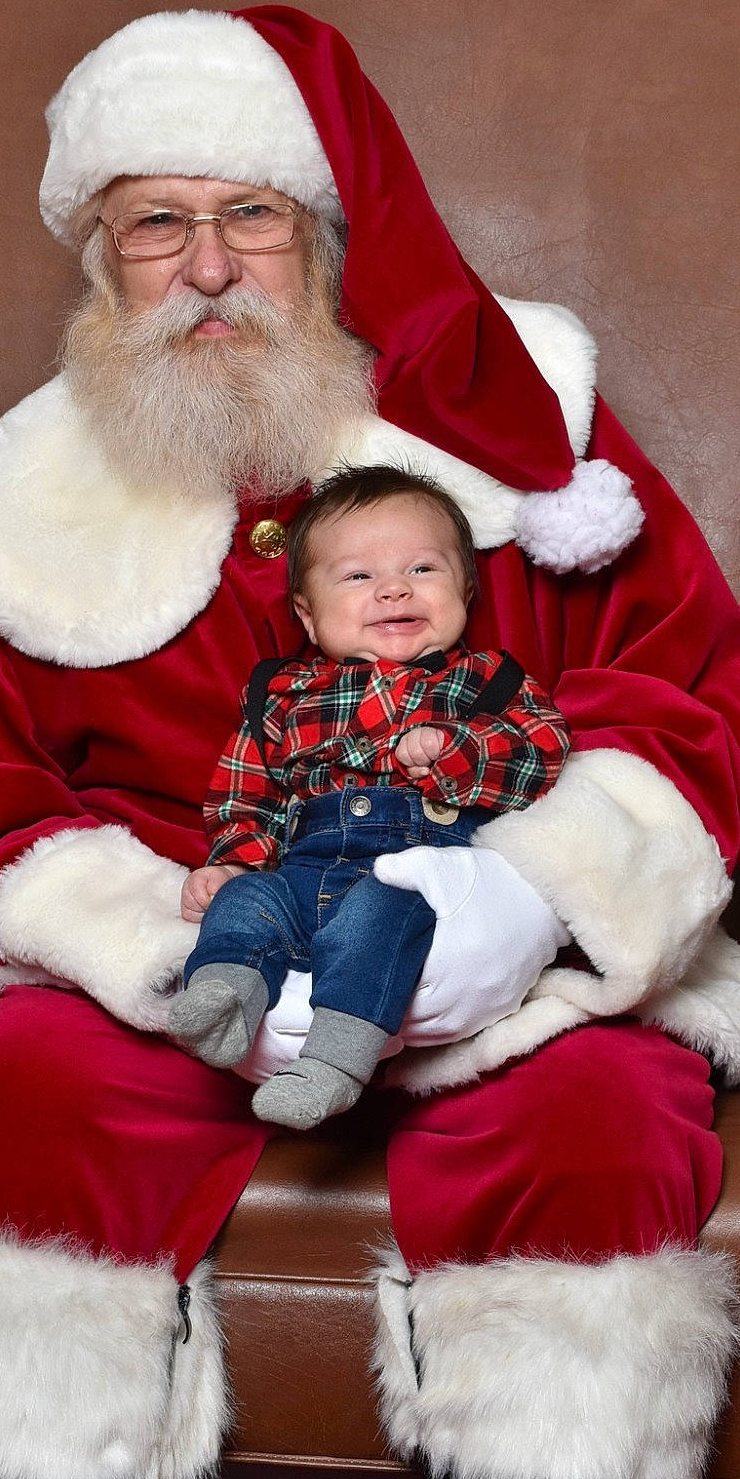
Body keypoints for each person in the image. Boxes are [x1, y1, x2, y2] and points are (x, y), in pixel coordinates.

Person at [0, 6, 740, 1479]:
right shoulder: (12, 512)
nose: (206, 270)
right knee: (27, 1087)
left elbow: (693, 699)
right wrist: (147, 924)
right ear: (95, 256)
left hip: (495, 950)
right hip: (181, 968)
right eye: (152, 224)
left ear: (325, 236)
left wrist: (526, 895)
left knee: (604, 1122)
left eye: (250, 219)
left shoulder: (523, 442)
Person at [173, 467, 570, 1129]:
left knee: (381, 914)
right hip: (303, 867)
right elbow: (249, 796)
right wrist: (234, 863)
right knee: (244, 901)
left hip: (410, 867)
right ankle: (223, 993)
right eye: (358, 577)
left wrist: (456, 750)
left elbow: (544, 752)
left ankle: (334, 1061)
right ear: (307, 611)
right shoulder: (281, 692)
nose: (393, 589)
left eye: (422, 569)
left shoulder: (485, 680)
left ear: (465, 589)